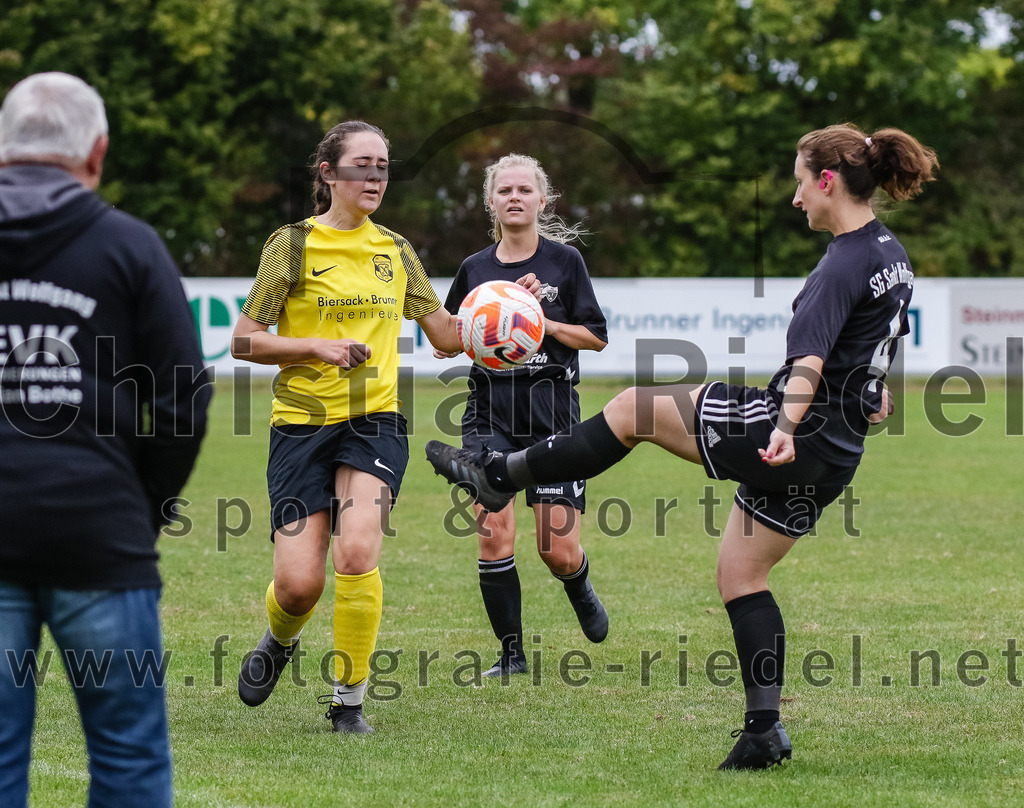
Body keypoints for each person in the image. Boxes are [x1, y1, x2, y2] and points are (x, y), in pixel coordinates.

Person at [427, 124, 938, 768]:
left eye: (801, 180)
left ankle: (502, 472)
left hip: (790, 428)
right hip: (836, 451)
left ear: (828, 181)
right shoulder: (890, 251)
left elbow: (809, 361)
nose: (795, 196)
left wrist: (781, 429)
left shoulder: (841, 261)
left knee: (633, 409)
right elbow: (873, 347)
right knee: (740, 575)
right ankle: (763, 731)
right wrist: (870, 393)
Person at [231, 122, 538, 732]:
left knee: (358, 551)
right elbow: (244, 340)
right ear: (328, 174)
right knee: (298, 585)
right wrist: (317, 349)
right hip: (301, 425)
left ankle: (349, 703)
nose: (375, 178)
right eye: (362, 166)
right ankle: (279, 638)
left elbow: (447, 337)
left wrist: (508, 306)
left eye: (383, 167)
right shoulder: (291, 244)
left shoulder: (396, 252)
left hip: (376, 422)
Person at [0, 73, 211, 807]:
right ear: (97, 152)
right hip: (100, 536)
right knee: (128, 761)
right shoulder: (129, 244)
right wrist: (139, 503)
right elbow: (184, 401)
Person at [434, 154, 609, 678]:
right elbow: (449, 340)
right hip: (490, 409)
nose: (514, 197)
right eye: (504, 190)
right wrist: (480, 324)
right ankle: (511, 656)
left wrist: (538, 321)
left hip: (552, 411)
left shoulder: (565, 263)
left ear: (542, 200)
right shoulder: (475, 270)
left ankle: (577, 582)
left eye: (524, 190)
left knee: (556, 549)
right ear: (490, 201)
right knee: (493, 531)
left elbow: (595, 337)